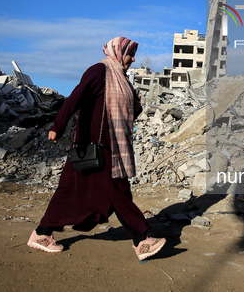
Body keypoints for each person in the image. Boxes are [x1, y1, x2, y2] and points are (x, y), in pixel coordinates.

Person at [27, 37, 166, 261]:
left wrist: (135, 105)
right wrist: (57, 126)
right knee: (117, 191)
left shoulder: (121, 77)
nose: (133, 59)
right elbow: (75, 98)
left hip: (110, 146)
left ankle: (42, 233)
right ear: (119, 52)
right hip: (94, 147)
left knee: (76, 191)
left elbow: (125, 112)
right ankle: (142, 240)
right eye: (130, 54)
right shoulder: (99, 71)